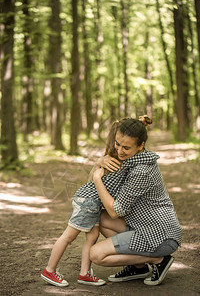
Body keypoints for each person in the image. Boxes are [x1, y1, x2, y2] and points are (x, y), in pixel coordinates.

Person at [90, 116, 182, 286]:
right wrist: (99, 161)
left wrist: (97, 179)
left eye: (126, 147)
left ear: (141, 146)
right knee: (99, 217)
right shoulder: (131, 159)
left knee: (96, 255)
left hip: (159, 235)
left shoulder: (141, 171)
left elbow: (115, 211)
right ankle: (137, 267)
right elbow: (94, 190)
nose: (119, 150)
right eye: (117, 144)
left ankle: (159, 260)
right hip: (141, 224)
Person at [41, 117, 132, 287]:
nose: (122, 148)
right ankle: (50, 270)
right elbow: (93, 180)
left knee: (92, 236)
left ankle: (84, 274)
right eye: (120, 143)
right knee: (69, 236)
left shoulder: (110, 159)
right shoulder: (114, 161)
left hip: (92, 202)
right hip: (88, 202)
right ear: (115, 142)